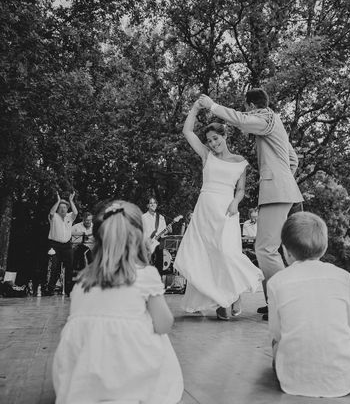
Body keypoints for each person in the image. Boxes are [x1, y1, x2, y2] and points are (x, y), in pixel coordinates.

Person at [52, 200, 183, 404]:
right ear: (139, 239)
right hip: (130, 365)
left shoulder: (83, 279)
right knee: (157, 329)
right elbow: (164, 324)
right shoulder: (146, 275)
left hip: (82, 368)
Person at [199, 88, 303, 320]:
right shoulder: (276, 124)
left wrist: (212, 106)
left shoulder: (266, 118)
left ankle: (284, 304)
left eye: (246, 108)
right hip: (280, 190)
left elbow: (242, 120)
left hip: (277, 192)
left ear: (250, 105)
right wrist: (283, 180)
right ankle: (273, 301)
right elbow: (293, 160)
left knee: (265, 249)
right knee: (268, 248)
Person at [268, 212, 350, 397]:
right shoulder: (342, 277)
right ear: (324, 248)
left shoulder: (276, 282)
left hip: (291, 381)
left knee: (277, 345)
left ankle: (293, 368)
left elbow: (276, 332)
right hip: (343, 379)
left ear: (285, 251)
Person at [174, 100, 263, 320]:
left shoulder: (240, 161)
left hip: (227, 211)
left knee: (227, 253)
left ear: (225, 136)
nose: (213, 144)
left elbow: (241, 190)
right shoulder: (207, 156)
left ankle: (233, 296)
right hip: (205, 209)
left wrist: (235, 203)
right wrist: (195, 108)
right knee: (206, 255)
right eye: (210, 141)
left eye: (216, 138)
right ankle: (220, 301)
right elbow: (187, 131)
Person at [45, 191, 77, 296]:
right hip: (54, 245)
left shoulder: (69, 216)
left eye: (64, 207)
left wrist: (71, 201)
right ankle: (50, 289)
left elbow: (76, 213)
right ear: (58, 208)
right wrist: (58, 201)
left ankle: (68, 290)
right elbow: (51, 212)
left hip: (67, 245)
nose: (63, 209)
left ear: (67, 209)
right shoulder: (54, 217)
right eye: (61, 207)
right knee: (54, 267)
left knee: (70, 267)